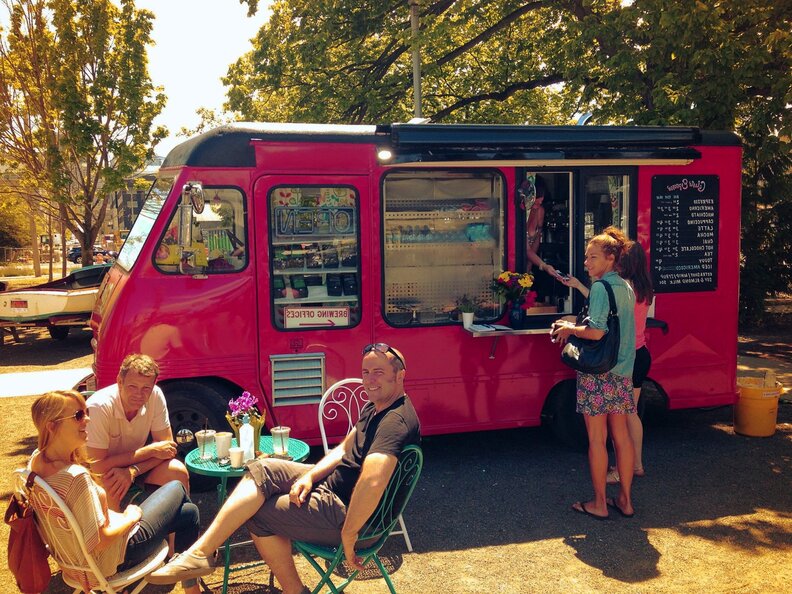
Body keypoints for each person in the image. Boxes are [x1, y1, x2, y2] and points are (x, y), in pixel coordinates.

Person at [148, 344, 421, 594]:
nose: (369, 380)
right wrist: (311, 476)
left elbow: (373, 481)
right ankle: (200, 553)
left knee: (257, 514)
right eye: (366, 372)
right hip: (334, 491)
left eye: (378, 373)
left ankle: (293, 591)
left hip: (350, 515)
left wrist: (350, 533)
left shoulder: (394, 421)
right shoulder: (375, 407)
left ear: (400, 376)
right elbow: (342, 450)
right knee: (262, 468)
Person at [28, 390, 202, 594]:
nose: (87, 420)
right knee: (176, 487)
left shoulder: (36, 462)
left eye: (86, 412)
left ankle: (191, 587)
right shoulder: (75, 478)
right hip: (112, 560)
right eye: (78, 416)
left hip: (74, 561)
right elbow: (99, 541)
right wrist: (130, 516)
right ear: (52, 426)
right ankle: (189, 574)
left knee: (189, 513)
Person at [552, 229, 636, 519]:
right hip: (623, 371)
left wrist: (569, 329)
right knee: (621, 438)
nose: (586, 263)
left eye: (592, 257)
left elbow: (597, 330)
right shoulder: (626, 287)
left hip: (598, 374)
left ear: (610, 259)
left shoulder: (601, 288)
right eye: (587, 257)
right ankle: (625, 499)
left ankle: (600, 503)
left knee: (597, 440)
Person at [562, 237, 654, 483]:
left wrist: (571, 327)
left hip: (618, 358)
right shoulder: (638, 289)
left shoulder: (617, 287)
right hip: (637, 354)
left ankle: (622, 473)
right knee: (628, 417)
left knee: (615, 427)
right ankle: (634, 470)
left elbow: (600, 326)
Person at [86, 354, 189, 511]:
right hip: (103, 473)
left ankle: (180, 532)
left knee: (177, 471)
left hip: (135, 467)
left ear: (153, 386)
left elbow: (168, 450)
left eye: (146, 388)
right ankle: (117, 533)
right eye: (132, 387)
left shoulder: (155, 395)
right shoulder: (99, 407)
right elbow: (97, 466)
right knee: (111, 483)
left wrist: (132, 471)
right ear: (120, 382)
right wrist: (150, 450)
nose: (139, 395)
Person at [520, 175, 561, 279]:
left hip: (531, 259)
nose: (538, 205)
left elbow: (537, 238)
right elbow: (525, 248)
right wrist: (543, 265)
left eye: (540, 202)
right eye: (536, 202)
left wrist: (529, 267)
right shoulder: (521, 214)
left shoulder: (540, 211)